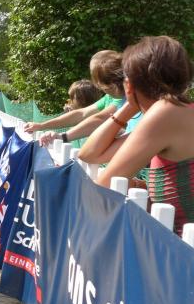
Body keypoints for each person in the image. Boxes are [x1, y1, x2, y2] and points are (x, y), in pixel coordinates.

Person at [79, 36, 194, 234]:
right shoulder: (179, 112)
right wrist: (129, 107)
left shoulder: (166, 113)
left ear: (129, 85)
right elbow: (89, 154)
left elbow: (103, 187)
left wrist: (129, 104)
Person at [24, 50, 131, 146]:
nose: (100, 87)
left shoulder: (124, 99)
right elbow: (81, 113)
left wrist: (62, 137)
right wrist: (41, 126)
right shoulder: (111, 97)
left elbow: (99, 119)